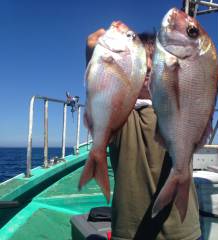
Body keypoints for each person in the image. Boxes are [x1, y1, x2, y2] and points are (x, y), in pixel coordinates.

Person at [86, 28, 201, 240]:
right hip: (130, 234)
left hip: (184, 233)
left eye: (155, 58)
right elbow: (101, 85)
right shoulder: (120, 116)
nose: (148, 65)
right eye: (142, 58)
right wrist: (92, 53)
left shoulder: (181, 110)